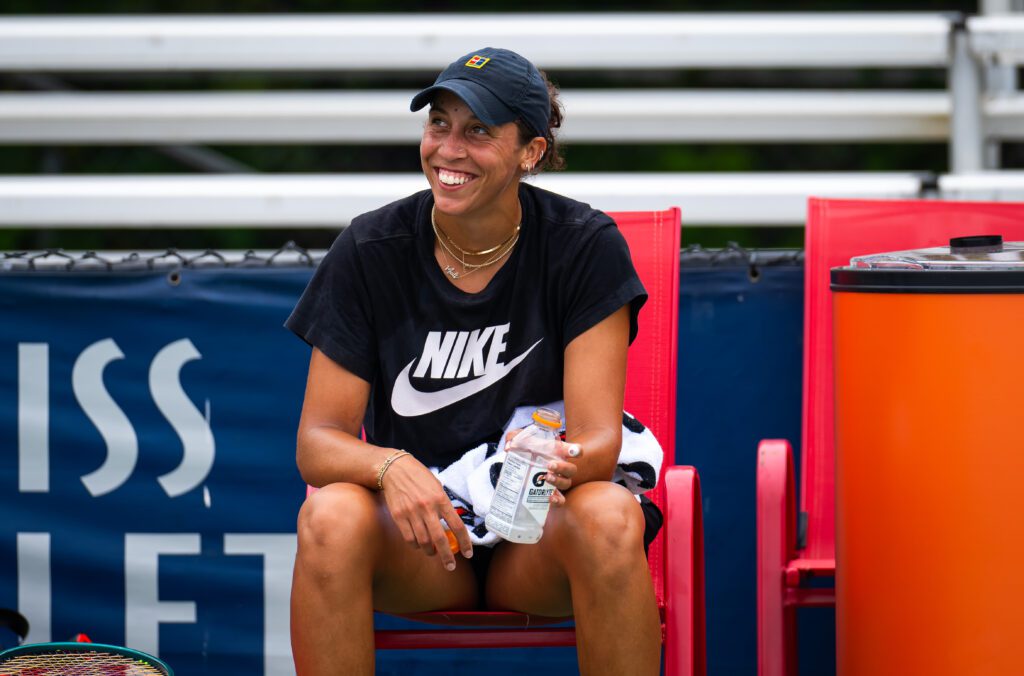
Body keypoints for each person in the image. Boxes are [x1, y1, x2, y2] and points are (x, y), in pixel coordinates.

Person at [286, 46, 661, 675]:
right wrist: (390, 464)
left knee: (611, 515)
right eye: (439, 124)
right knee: (328, 514)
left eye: (478, 131)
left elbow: (598, 440)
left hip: (539, 538)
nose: (449, 150)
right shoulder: (371, 248)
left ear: (530, 152)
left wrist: (556, 461)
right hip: (425, 547)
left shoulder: (583, 246)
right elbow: (316, 443)